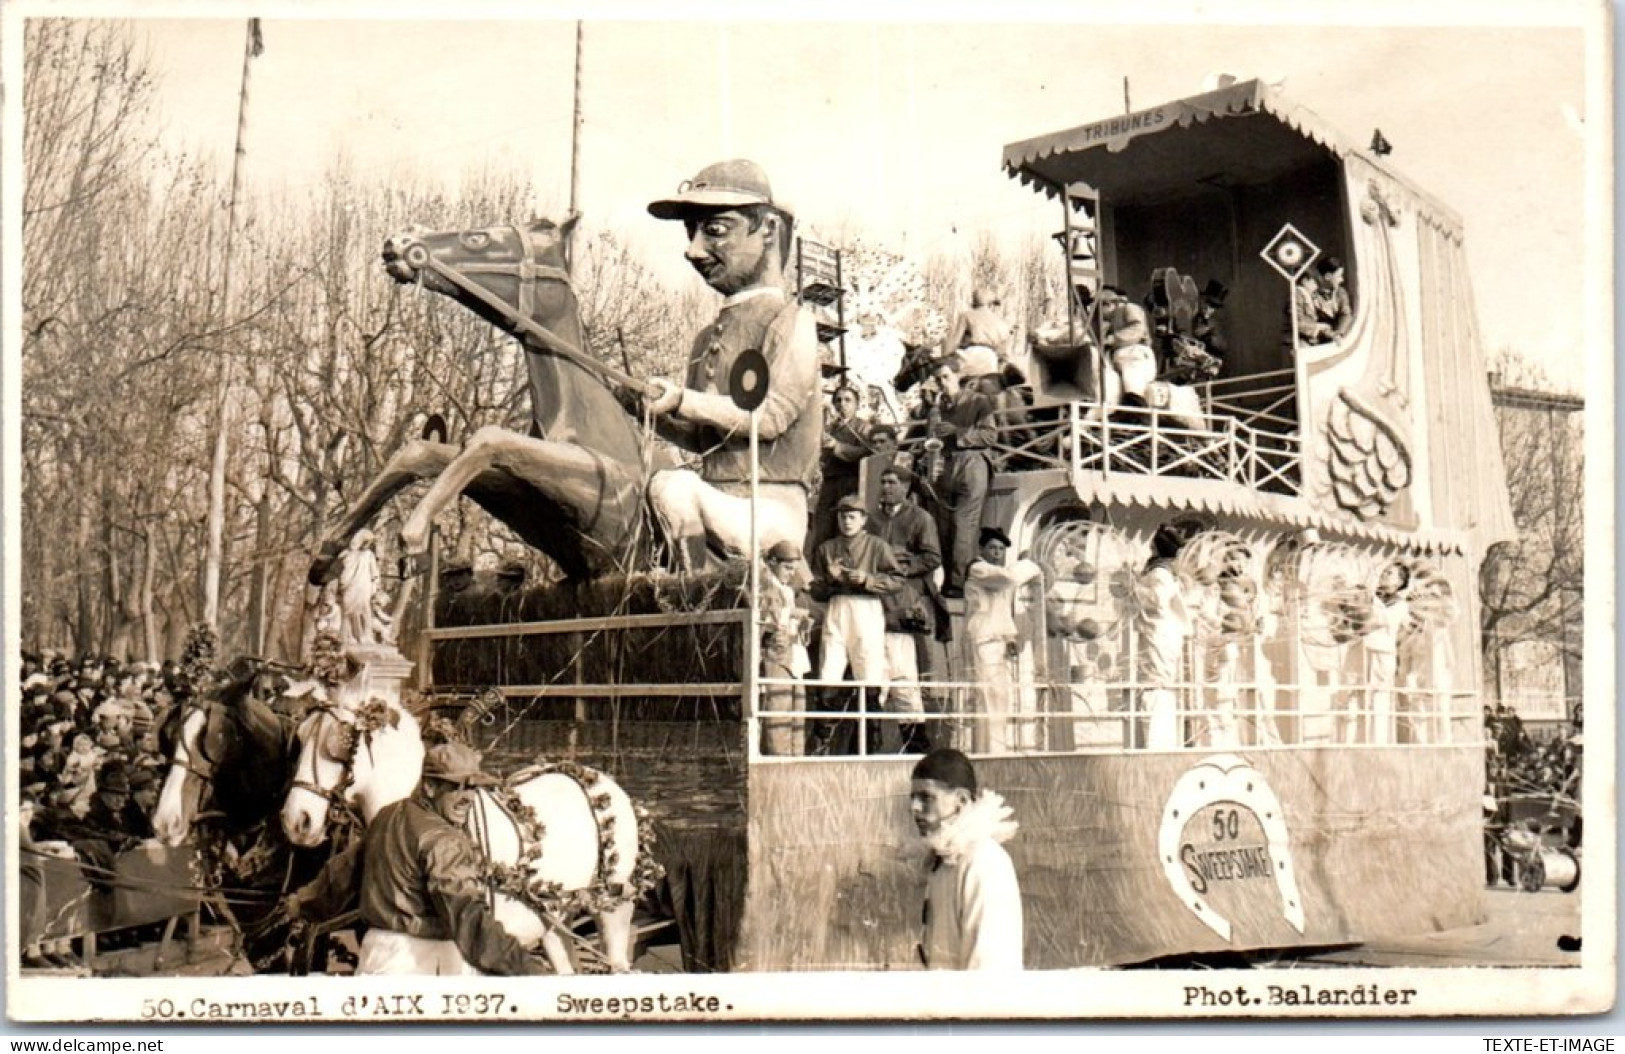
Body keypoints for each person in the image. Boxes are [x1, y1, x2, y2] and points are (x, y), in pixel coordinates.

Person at [642, 159, 822, 564]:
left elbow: (771, 416)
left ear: (769, 230)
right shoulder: (707, 338)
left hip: (771, 507)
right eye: (691, 232)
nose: (693, 250)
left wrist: (681, 400)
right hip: (718, 502)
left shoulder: (792, 321)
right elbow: (702, 437)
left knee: (671, 488)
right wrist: (643, 407)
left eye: (715, 231)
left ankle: (696, 592)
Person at [284, 742, 550, 976]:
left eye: (474, 788)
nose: (468, 797)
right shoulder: (444, 839)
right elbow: (467, 917)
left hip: (376, 958)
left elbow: (341, 875)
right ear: (430, 786)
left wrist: (302, 904)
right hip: (425, 967)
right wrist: (527, 969)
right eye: (458, 787)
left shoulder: (387, 817)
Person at [909, 748, 1023, 971]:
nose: (914, 808)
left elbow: (989, 967)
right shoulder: (943, 861)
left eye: (926, 797)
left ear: (961, 801)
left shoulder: (984, 861)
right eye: (912, 798)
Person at [808, 495, 904, 755]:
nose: (847, 521)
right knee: (829, 672)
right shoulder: (826, 548)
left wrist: (869, 579)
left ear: (863, 520)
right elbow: (815, 589)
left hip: (867, 609)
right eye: (842, 516)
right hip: (837, 608)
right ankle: (822, 745)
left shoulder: (877, 546)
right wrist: (831, 580)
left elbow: (897, 580)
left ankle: (870, 747)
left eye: (852, 517)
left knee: (869, 674)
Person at [868, 466, 943, 753]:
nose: (886, 487)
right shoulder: (870, 520)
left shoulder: (920, 519)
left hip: (903, 597)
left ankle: (915, 745)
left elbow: (932, 557)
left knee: (904, 676)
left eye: (892, 482)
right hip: (873, 597)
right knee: (871, 678)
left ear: (906, 487)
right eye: (883, 482)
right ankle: (868, 745)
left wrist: (900, 568)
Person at [963, 528, 1044, 754]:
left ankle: (998, 748)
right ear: (982, 549)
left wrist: (1010, 637)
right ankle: (986, 750)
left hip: (997, 640)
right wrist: (1030, 564)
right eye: (993, 548)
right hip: (983, 639)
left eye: (1001, 549)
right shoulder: (978, 569)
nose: (997, 553)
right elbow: (1007, 578)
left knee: (1001, 695)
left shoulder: (997, 573)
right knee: (988, 695)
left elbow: (1002, 609)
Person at [926, 353, 999, 596]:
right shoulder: (936, 409)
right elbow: (931, 442)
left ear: (958, 376)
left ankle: (958, 584)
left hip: (972, 463)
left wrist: (957, 432)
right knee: (944, 527)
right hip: (946, 465)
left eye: (946, 377)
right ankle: (949, 582)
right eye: (937, 380)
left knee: (963, 526)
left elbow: (990, 436)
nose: (942, 384)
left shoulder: (979, 401)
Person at [1135, 521, 1197, 749]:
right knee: (1159, 686)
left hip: (1159, 634)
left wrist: (1133, 588)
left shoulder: (1159, 573)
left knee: (1156, 685)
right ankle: (1161, 740)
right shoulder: (1164, 572)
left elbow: (1157, 601)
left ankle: (1157, 743)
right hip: (1163, 633)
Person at [758, 540, 813, 756]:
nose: (791, 573)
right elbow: (764, 619)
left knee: (797, 709)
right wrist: (792, 614)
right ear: (772, 563)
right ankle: (780, 758)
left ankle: (796, 757)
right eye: (787, 567)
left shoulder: (787, 590)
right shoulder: (764, 587)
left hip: (794, 653)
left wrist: (802, 624)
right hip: (776, 654)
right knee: (779, 709)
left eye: (794, 568)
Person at [810, 385, 873, 552]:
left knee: (845, 529)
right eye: (838, 400)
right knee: (823, 529)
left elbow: (866, 452)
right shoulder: (829, 428)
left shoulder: (864, 428)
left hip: (851, 484)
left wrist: (836, 446)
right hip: (829, 485)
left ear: (856, 405)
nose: (842, 404)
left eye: (848, 400)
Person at [945, 287, 1014, 363]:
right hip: (991, 359)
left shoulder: (966, 316)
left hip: (970, 355)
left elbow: (954, 341)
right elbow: (1004, 353)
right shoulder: (1002, 323)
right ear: (990, 304)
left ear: (974, 302)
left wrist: (945, 359)